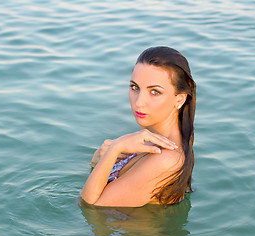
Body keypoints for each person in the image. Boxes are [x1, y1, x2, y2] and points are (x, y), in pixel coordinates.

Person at [80, 46, 196, 207]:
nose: (139, 102)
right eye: (135, 87)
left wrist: (116, 147)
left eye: (155, 92)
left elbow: (89, 207)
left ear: (179, 99)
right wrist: (99, 160)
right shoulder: (147, 138)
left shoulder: (166, 160)